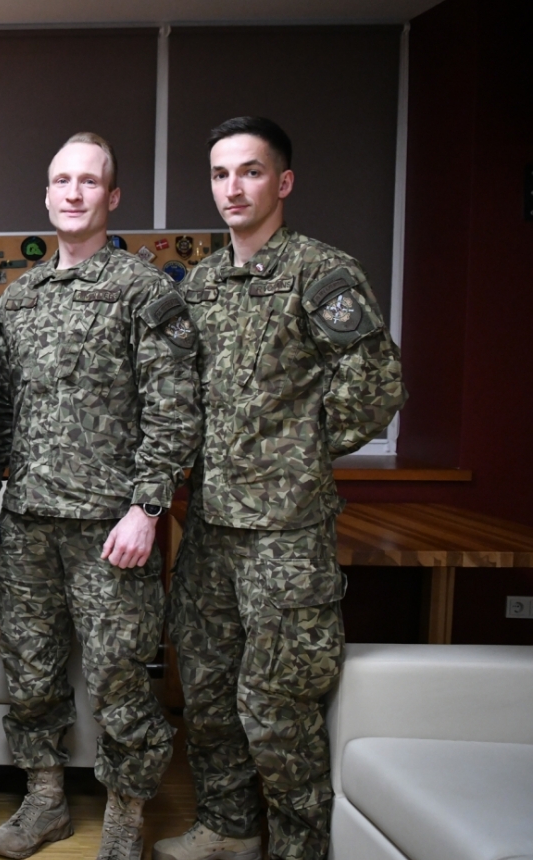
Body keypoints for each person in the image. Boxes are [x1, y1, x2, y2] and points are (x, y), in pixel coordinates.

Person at [154, 117, 405, 860]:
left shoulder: (321, 273)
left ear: (283, 183)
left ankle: (300, 847)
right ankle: (229, 828)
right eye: (221, 174)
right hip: (208, 531)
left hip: (285, 535)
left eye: (251, 172)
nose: (233, 187)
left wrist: (295, 451)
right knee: (205, 689)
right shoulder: (201, 282)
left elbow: (375, 385)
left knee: (277, 707)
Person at [0, 133, 201, 860]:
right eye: (60, 181)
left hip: (112, 529)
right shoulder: (20, 298)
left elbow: (175, 409)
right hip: (26, 527)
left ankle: (126, 814)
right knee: (30, 670)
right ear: (47, 195)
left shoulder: (145, 291)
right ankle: (45, 799)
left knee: (118, 678)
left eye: (88, 182)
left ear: (112, 197)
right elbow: (1, 411)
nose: (72, 193)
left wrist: (147, 510)